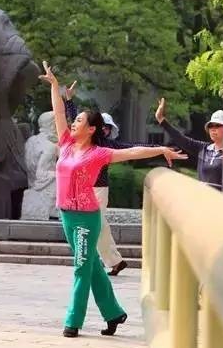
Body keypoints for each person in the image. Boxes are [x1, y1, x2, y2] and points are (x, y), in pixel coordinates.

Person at [40, 61, 187, 338]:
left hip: (86, 217)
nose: (74, 123)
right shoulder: (66, 144)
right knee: (92, 265)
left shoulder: (99, 154)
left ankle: (73, 321)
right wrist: (55, 86)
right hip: (66, 215)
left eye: (79, 121)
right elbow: (59, 111)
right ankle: (114, 313)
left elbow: (132, 152)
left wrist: (161, 149)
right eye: (75, 120)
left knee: (81, 267)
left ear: (92, 129)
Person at [64, 82, 158, 276]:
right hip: (81, 190)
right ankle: (113, 261)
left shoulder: (107, 145)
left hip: (98, 189)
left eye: (107, 128)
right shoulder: (80, 140)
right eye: (103, 127)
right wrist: (69, 100)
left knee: (97, 225)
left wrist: (160, 149)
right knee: (98, 226)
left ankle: (109, 261)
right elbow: (75, 121)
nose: (105, 130)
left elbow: (134, 148)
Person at [155, 98, 223, 190]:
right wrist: (161, 120)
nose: (213, 129)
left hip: (222, 198)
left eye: (218, 125)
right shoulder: (203, 148)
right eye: (211, 126)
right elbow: (181, 139)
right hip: (203, 197)